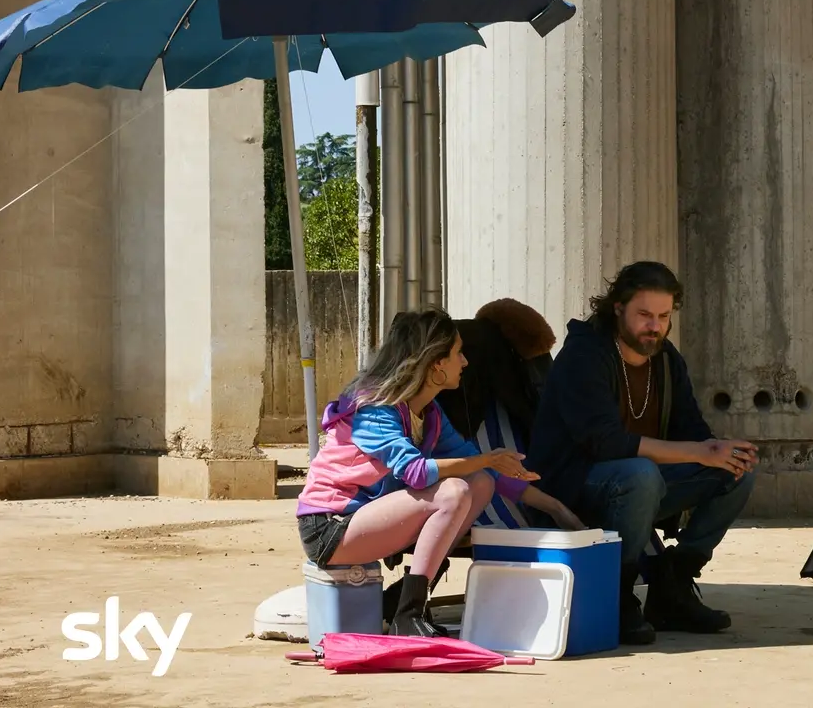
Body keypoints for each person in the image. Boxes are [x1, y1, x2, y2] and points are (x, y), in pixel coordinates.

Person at [296, 308, 584, 637]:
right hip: (330, 528)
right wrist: (487, 460)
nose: (465, 362)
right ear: (435, 362)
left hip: (369, 520)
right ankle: (409, 612)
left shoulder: (428, 412)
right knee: (454, 490)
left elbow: (481, 466)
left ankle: (404, 601)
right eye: (458, 353)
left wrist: (557, 509)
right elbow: (416, 473)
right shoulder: (373, 407)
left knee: (480, 482)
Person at [526, 261, 759, 645]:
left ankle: (674, 584)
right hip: (573, 485)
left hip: (640, 486)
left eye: (664, 316)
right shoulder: (584, 355)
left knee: (737, 470)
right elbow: (604, 442)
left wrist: (717, 450)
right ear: (618, 307)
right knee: (640, 473)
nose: (655, 326)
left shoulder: (666, 360)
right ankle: (617, 595)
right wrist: (700, 452)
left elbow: (692, 433)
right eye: (645, 315)